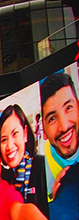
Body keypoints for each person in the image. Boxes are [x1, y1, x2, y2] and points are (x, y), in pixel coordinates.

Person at [0, 104, 49, 216]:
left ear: (25, 133)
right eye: (4, 139)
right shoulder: (6, 179)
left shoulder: (42, 166)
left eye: (15, 134)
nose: (9, 146)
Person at [40, 72, 79, 201]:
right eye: (52, 118)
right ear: (44, 131)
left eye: (68, 107)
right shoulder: (40, 172)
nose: (64, 127)